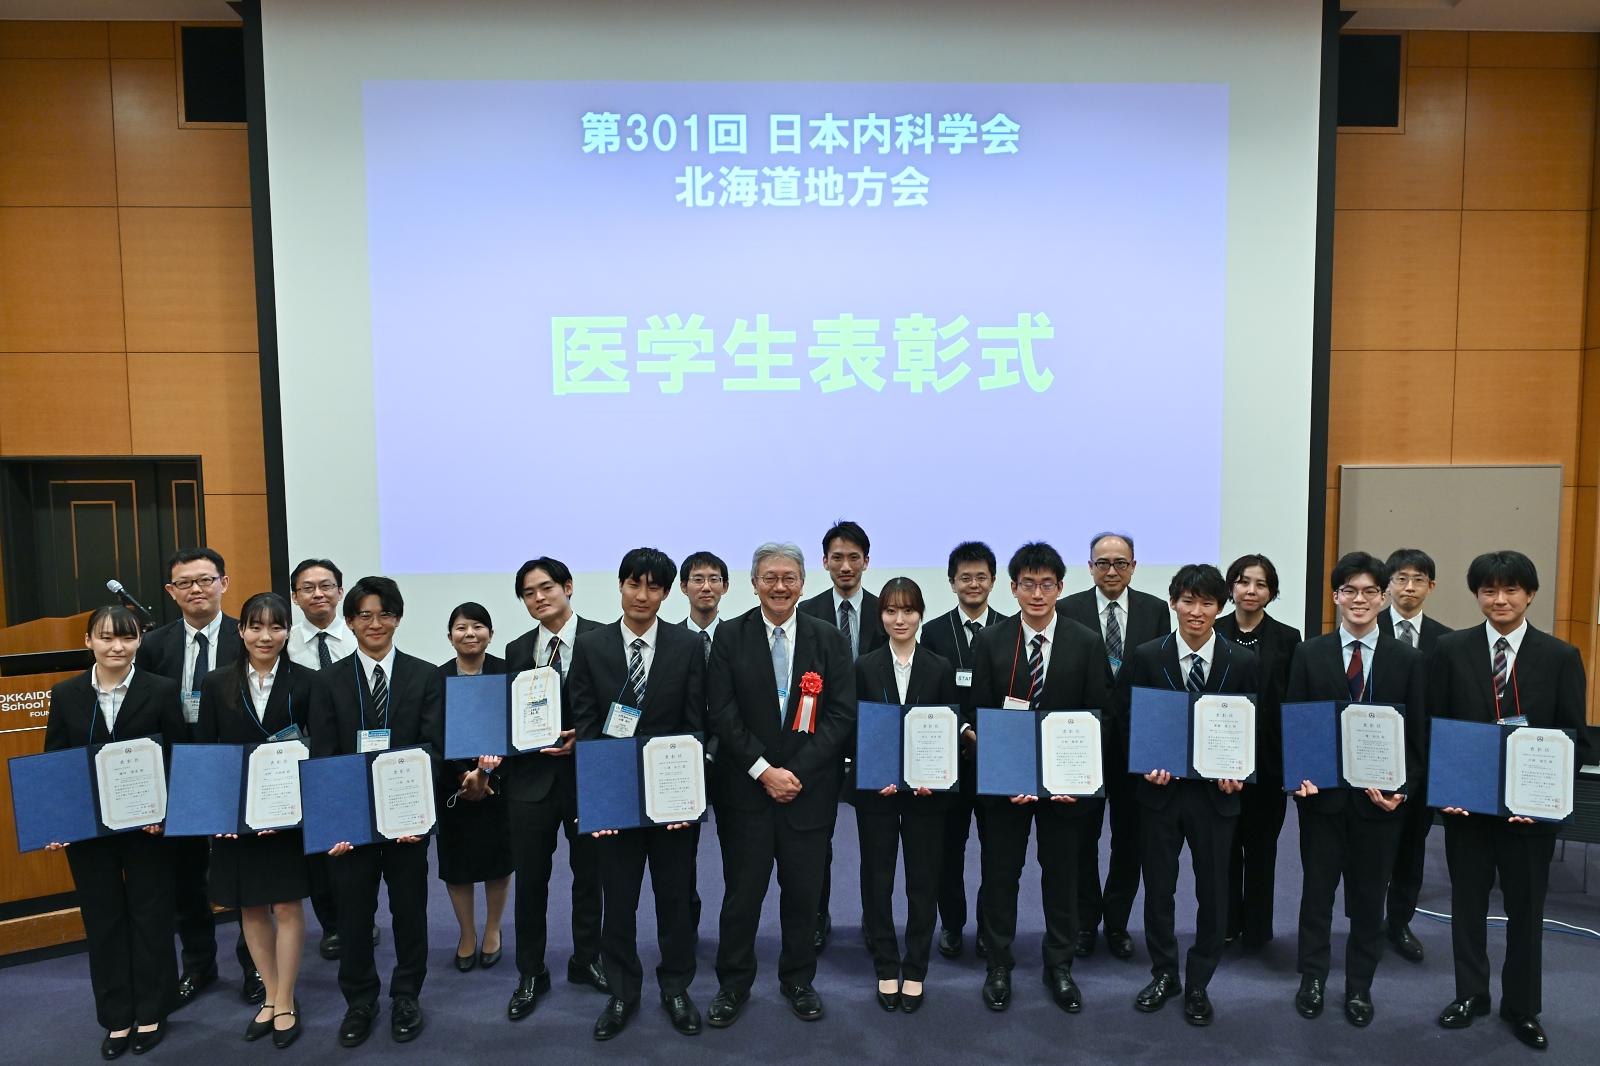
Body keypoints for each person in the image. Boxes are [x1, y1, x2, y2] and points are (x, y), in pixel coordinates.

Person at [1433, 551, 1593, 1053]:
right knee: (1467, 906)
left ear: (1531, 594)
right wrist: (1446, 793)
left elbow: (1576, 740)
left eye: (1511, 590)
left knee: (1526, 912)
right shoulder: (1449, 650)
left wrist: (1546, 801)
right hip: (1468, 811)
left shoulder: (1561, 655)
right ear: (1477, 595)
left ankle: (1522, 1006)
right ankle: (1470, 995)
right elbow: (1436, 728)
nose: (1499, 600)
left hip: (1531, 815)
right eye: (1488, 590)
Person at [704, 542, 855, 1026]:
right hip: (746, 793)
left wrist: (797, 773)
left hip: (808, 793)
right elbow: (722, 713)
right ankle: (733, 983)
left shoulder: (828, 638)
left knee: (803, 894)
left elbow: (840, 715)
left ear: (803, 583)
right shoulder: (730, 636)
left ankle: (798, 980)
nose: (779, 586)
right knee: (742, 895)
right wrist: (763, 771)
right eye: (769, 577)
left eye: (789, 577)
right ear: (753, 583)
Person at [1284, 552, 1425, 1028]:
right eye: (1349, 591)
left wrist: (1402, 790)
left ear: (1383, 598)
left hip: (1379, 806)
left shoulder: (1409, 660)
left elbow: (1418, 738)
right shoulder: (1310, 653)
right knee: (1316, 894)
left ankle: (1360, 985)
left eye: (1369, 591)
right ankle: (1314, 977)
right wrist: (1297, 777)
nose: (1359, 600)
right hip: (1321, 801)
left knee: (1369, 900)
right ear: (1335, 597)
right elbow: (1297, 723)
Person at [570, 548, 707, 1040]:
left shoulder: (688, 647)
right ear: (620, 586)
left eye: (653, 587)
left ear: (667, 593)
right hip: (615, 802)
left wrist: (688, 798)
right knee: (619, 901)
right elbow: (585, 726)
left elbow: (696, 725)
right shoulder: (590, 646)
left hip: (672, 799)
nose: (642, 596)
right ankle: (623, 992)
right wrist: (599, 800)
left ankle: (676, 987)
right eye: (633, 584)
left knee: (675, 899)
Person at [967, 542, 1109, 1014]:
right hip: (1007, 787)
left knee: (1062, 877)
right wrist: (1011, 773)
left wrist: (1077, 775)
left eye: (1047, 584)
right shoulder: (990, 641)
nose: (1037, 593)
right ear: (1012, 588)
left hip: (1065, 791)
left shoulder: (1087, 642)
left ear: (1061, 588)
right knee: (1001, 875)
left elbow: (1101, 716)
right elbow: (982, 715)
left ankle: (1059, 965)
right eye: (1027, 584)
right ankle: (999, 964)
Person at [45, 606, 187, 1059]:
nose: (116, 647)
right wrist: (59, 823)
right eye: (105, 638)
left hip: (147, 826)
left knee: (151, 916)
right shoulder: (65, 694)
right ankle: (116, 1017)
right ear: (88, 640)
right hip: (89, 830)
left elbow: (176, 758)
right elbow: (56, 765)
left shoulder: (161, 690)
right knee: (102, 920)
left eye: (125, 638)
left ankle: (152, 1010)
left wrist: (164, 814)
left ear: (138, 643)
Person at [309, 576, 444, 1047]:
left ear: (398, 619)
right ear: (349, 622)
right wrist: (335, 824)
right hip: (350, 825)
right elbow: (324, 756)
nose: (375, 623)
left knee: (410, 910)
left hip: (407, 823)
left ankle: (407, 994)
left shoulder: (425, 675)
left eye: (385, 614)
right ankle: (360, 1001)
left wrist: (416, 817)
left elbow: (433, 750)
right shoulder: (327, 682)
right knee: (353, 914)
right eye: (364, 615)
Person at [194, 592, 331, 1048]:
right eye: (256, 626)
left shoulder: (309, 683)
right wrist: (221, 813)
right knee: (250, 907)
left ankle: (287, 997)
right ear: (241, 631)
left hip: (288, 818)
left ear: (288, 632)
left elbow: (320, 754)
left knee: (288, 907)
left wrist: (294, 812)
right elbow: (208, 753)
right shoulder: (216, 684)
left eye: (275, 627)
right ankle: (269, 996)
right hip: (237, 821)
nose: (265, 636)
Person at [1124, 563, 1257, 1026]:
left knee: (1213, 891)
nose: (1196, 612)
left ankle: (1200, 980)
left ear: (1220, 608)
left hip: (1215, 798)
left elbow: (1254, 730)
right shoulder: (1147, 655)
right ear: (1173, 602)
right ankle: (1164, 973)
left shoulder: (1242, 662)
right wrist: (1144, 767)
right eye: (1187, 601)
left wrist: (1241, 772)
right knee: (1158, 888)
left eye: (1206, 603)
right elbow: (1129, 721)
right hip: (1160, 795)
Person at [135, 547, 259, 1007]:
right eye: (185, 583)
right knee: (186, 877)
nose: (196, 590)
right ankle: (200, 965)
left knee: (245, 875)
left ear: (224, 584)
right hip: (176, 773)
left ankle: (255, 969)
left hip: (233, 770)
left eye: (205, 580)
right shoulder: (152, 647)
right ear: (171, 592)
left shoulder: (247, 638)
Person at [490, 557, 608, 1021]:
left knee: (589, 876)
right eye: (528, 593)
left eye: (546, 588)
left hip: (585, 777)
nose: (538, 598)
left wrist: (586, 734)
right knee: (532, 881)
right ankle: (531, 971)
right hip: (529, 782)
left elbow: (617, 702)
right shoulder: (518, 650)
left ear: (568, 587)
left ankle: (586, 959)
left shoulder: (603, 638)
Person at [1059, 531, 1171, 959]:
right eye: (1102, 563)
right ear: (1089, 567)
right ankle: (1085, 921)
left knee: (1130, 839)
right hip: (1081, 747)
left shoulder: (1156, 611)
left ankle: (1118, 921)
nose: (1111, 571)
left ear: (1134, 566)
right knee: (1081, 839)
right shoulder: (1067, 610)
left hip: (1135, 746)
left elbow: (1160, 683)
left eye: (1120, 563)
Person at [853, 577, 958, 1013]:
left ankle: (915, 968)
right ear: (881, 617)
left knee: (922, 880)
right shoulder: (863, 666)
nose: (900, 619)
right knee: (877, 880)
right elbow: (855, 730)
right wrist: (873, 770)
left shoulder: (939, 666)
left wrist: (938, 772)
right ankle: (884, 965)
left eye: (909, 611)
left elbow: (948, 730)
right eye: (891, 611)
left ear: (921, 614)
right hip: (877, 792)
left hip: (926, 795)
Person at [917, 541, 1009, 961]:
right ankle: (952, 925)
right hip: (948, 759)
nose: (973, 584)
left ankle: (991, 928)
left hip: (999, 759)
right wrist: (966, 730)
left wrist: (988, 734)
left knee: (997, 853)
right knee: (946, 851)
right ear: (952, 582)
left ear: (993, 581)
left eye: (981, 576)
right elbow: (931, 693)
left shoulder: (1012, 628)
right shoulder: (933, 631)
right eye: (965, 577)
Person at [797, 520, 885, 953]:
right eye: (837, 557)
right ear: (825, 562)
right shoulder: (806, 611)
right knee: (817, 834)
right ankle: (817, 913)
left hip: (871, 736)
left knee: (875, 836)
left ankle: (873, 916)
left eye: (854, 557)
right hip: (818, 738)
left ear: (867, 561)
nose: (846, 565)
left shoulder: (886, 610)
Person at [1215, 554, 1302, 950]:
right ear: (1231, 587)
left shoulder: (1288, 638)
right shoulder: (1211, 630)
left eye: (1261, 583)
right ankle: (1227, 922)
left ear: (1272, 591)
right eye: (1244, 581)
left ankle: (1258, 930)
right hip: (1220, 763)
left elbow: (1294, 704)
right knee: (1225, 849)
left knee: (1263, 848)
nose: (1252, 590)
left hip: (1268, 763)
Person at [1376, 547, 1451, 963]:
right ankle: (1364, 921)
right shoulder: (1369, 629)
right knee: (1369, 849)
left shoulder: (1448, 640)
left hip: (1422, 764)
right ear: (1387, 587)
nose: (1409, 587)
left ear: (1431, 586)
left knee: (1411, 848)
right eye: (1401, 579)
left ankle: (1399, 922)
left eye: (1418, 580)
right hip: (1373, 758)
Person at [435, 603, 510, 976]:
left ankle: (493, 928)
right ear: (449, 637)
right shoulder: (436, 679)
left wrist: (487, 776)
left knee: (498, 860)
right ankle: (467, 934)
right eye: (461, 627)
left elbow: (515, 729)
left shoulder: (506, 673)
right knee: (458, 865)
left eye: (478, 626)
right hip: (453, 788)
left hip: (498, 785)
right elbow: (431, 735)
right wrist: (463, 777)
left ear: (490, 634)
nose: (470, 634)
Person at [285, 557, 354, 960]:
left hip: (351, 754)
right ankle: (331, 924)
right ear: (295, 597)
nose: (318, 594)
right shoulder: (285, 642)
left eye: (326, 586)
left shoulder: (360, 635)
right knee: (316, 847)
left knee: (356, 842)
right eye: (308, 588)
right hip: (302, 757)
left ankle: (359, 917)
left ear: (340, 591)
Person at [679, 550, 730, 651]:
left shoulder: (736, 639)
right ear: (684, 587)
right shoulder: (670, 638)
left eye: (714, 579)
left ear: (725, 586)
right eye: (698, 580)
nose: (706, 587)